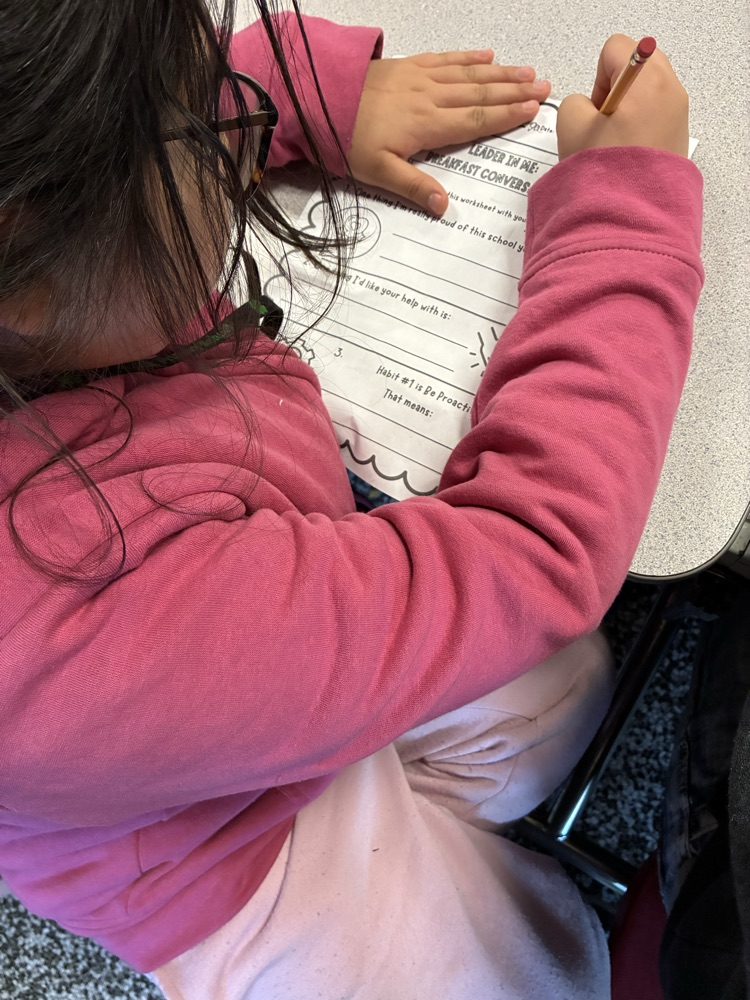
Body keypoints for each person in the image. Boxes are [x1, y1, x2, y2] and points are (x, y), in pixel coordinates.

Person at [0, 2, 702, 998]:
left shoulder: (52, 290)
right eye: (206, 125)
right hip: (234, 869)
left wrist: (317, 92)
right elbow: (531, 549)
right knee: (520, 973)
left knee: (557, 683)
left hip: (248, 642)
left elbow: (85, 82)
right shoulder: (60, 636)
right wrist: (622, 213)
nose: (233, 121)